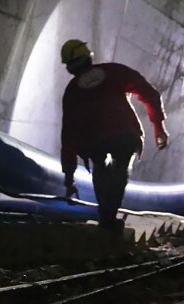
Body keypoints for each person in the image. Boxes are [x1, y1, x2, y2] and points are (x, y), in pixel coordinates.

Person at [59, 39, 169, 230]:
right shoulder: (114, 71)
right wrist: (158, 126)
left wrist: (69, 176)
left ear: (69, 67)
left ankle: (105, 216)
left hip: (94, 142)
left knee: (100, 169)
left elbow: (68, 134)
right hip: (124, 134)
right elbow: (149, 93)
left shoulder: (73, 90)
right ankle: (109, 216)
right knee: (120, 170)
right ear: (88, 57)